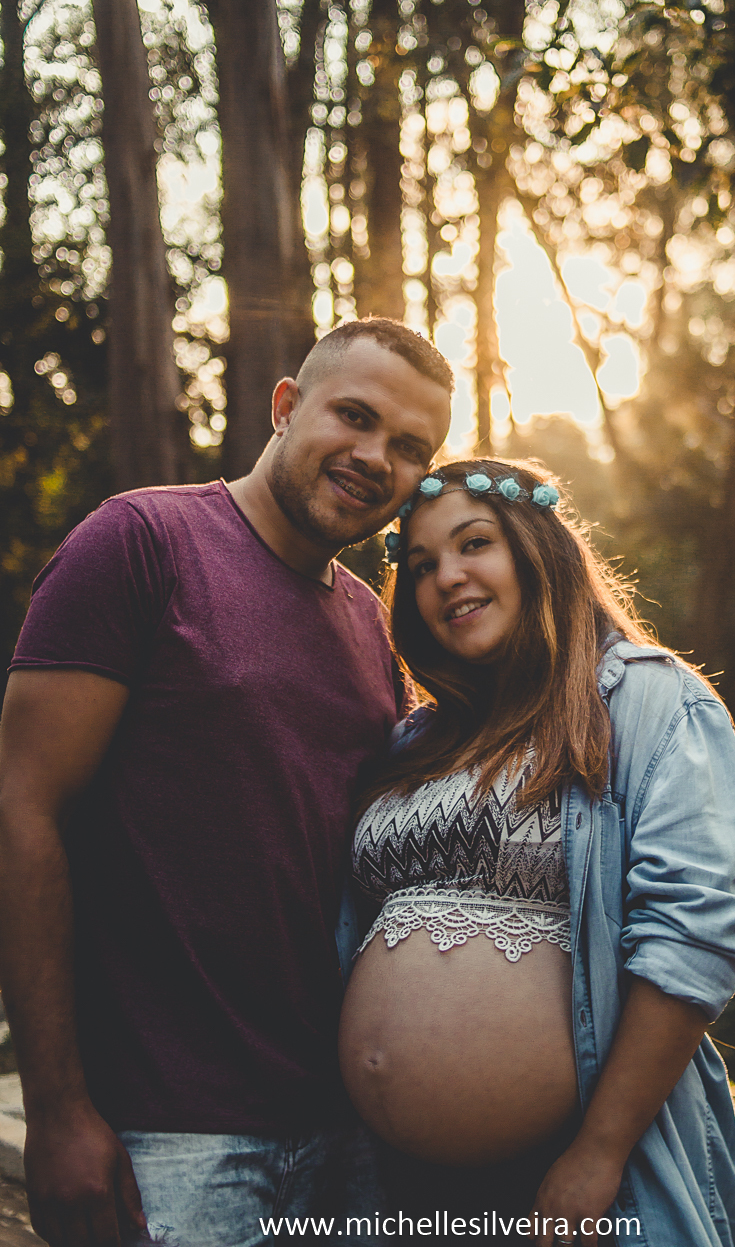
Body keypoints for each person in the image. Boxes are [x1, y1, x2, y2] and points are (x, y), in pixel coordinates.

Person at [0, 318, 453, 1247]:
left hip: (348, 1136)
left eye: (411, 448)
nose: (376, 458)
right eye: (355, 418)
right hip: (164, 1135)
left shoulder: (373, 625)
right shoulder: (142, 542)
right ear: (286, 406)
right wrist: (56, 1109)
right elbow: (21, 810)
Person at [338, 457, 735, 1247]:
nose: (446, 577)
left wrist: (597, 1155)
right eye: (422, 563)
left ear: (537, 549)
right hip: (390, 1186)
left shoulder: (645, 698)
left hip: (573, 1183)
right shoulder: (414, 739)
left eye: (474, 544)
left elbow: (695, 937)